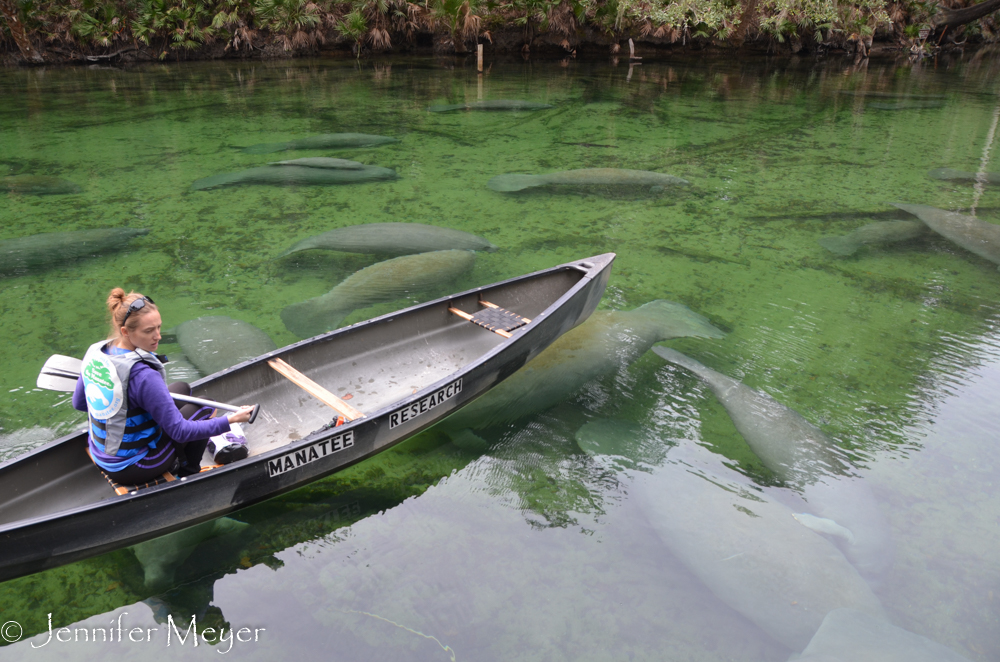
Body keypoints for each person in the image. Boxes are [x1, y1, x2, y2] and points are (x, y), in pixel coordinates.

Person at [72, 289, 255, 483]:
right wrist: (232, 420)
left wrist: (123, 406)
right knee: (206, 406)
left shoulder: (96, 353)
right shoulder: (143, 376)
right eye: (149, 331)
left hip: (102, 454)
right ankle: (187, 470)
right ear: (125, 331)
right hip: (136, 465)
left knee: (181, 387)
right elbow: (180, 431)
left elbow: (80, 404)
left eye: (158, 327)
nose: (158, 336)